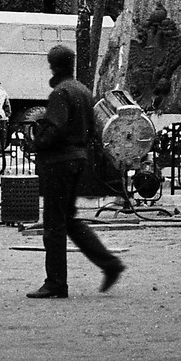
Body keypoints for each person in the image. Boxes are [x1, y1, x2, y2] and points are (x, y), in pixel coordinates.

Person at [26, 45, 123, 299]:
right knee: (68, 219)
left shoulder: (61, 92)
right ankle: (109, 263)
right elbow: (92, 128)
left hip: (59, 162)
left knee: (54, 224)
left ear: (54, 66)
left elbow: (55, 129)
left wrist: (37, 140)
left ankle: (56, 282)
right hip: (78, 158)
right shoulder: (82, 90)